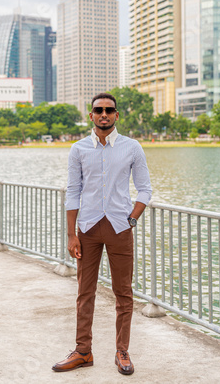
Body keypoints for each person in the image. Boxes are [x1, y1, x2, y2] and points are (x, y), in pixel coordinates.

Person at [52, 92, 152, 375]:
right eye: (99, 110)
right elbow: (73, 192)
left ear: (117, 115)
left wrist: (132, 219)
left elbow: (145, 189)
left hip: (121, 228)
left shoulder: (132, 148)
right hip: (88, 230)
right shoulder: (79, 149)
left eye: (109, 110)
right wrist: (71, 235)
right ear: (91, 115)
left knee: (124, 293)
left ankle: (122, 351)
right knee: (85, 292)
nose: (104, 114)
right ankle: (83, 351)